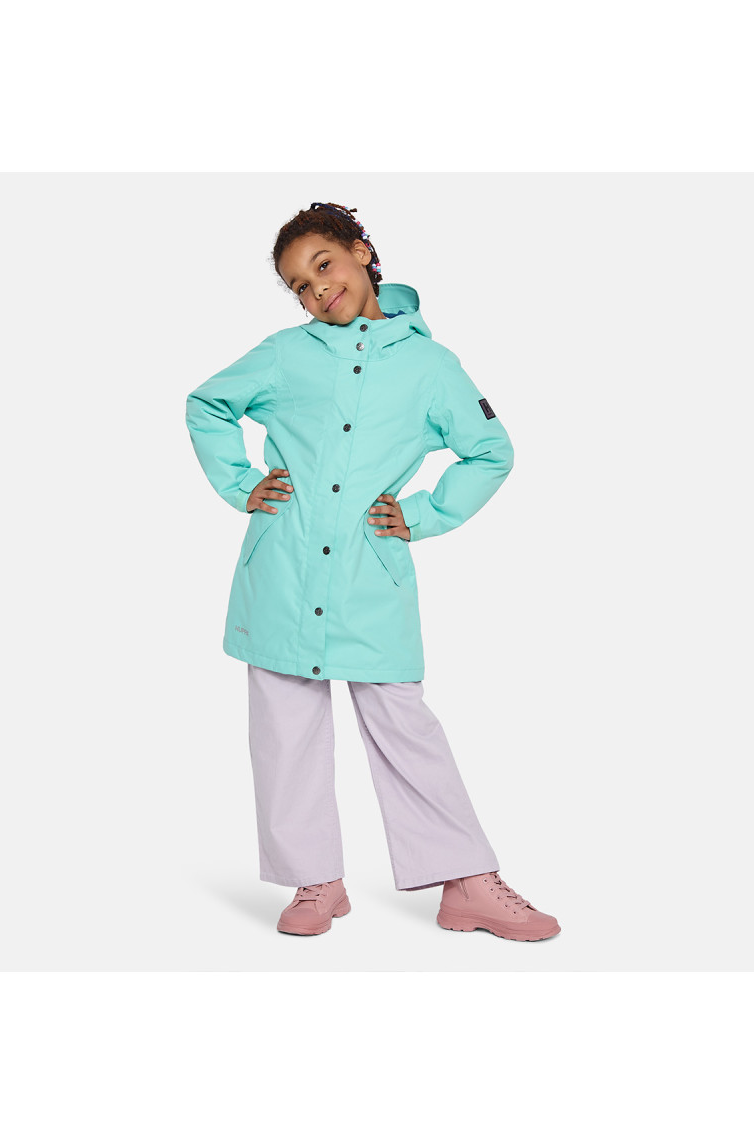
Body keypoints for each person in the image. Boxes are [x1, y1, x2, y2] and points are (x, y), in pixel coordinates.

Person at [185, 201, 560, 942]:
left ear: (362, 251)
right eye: (299, 285)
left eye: (323, 265)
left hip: (370, 573)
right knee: (284, 729)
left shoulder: (431, 366)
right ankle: (316, 882)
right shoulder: (285, 354)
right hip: (282, 571)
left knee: (403, 724)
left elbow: (491, 451)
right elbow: (207, 404)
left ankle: (467, 882)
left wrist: (421, 514)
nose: (316, 289)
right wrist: (240, 485)